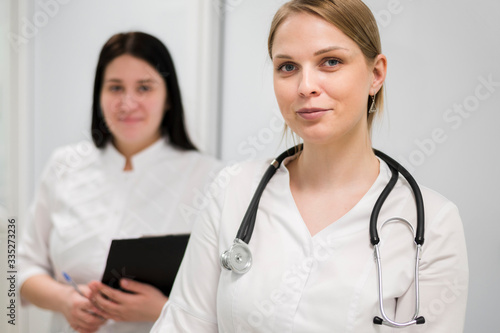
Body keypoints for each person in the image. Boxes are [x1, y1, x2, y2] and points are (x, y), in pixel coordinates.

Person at [151, 1, 469, 332]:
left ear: (376, 74)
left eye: (330, 62)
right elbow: (182, 325)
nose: (305, 87)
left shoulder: (431, 223)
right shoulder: (234, 189)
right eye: (287, 67)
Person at [19, 31, 223, 333]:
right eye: (115, 87)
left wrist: (161, 309)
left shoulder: (211, 177)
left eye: (144, 87)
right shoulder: (64, 165)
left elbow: (228, 295)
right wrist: (65, 300)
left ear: (168, 98)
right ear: (98, 95)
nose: (128, 103)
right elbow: (20, 267)